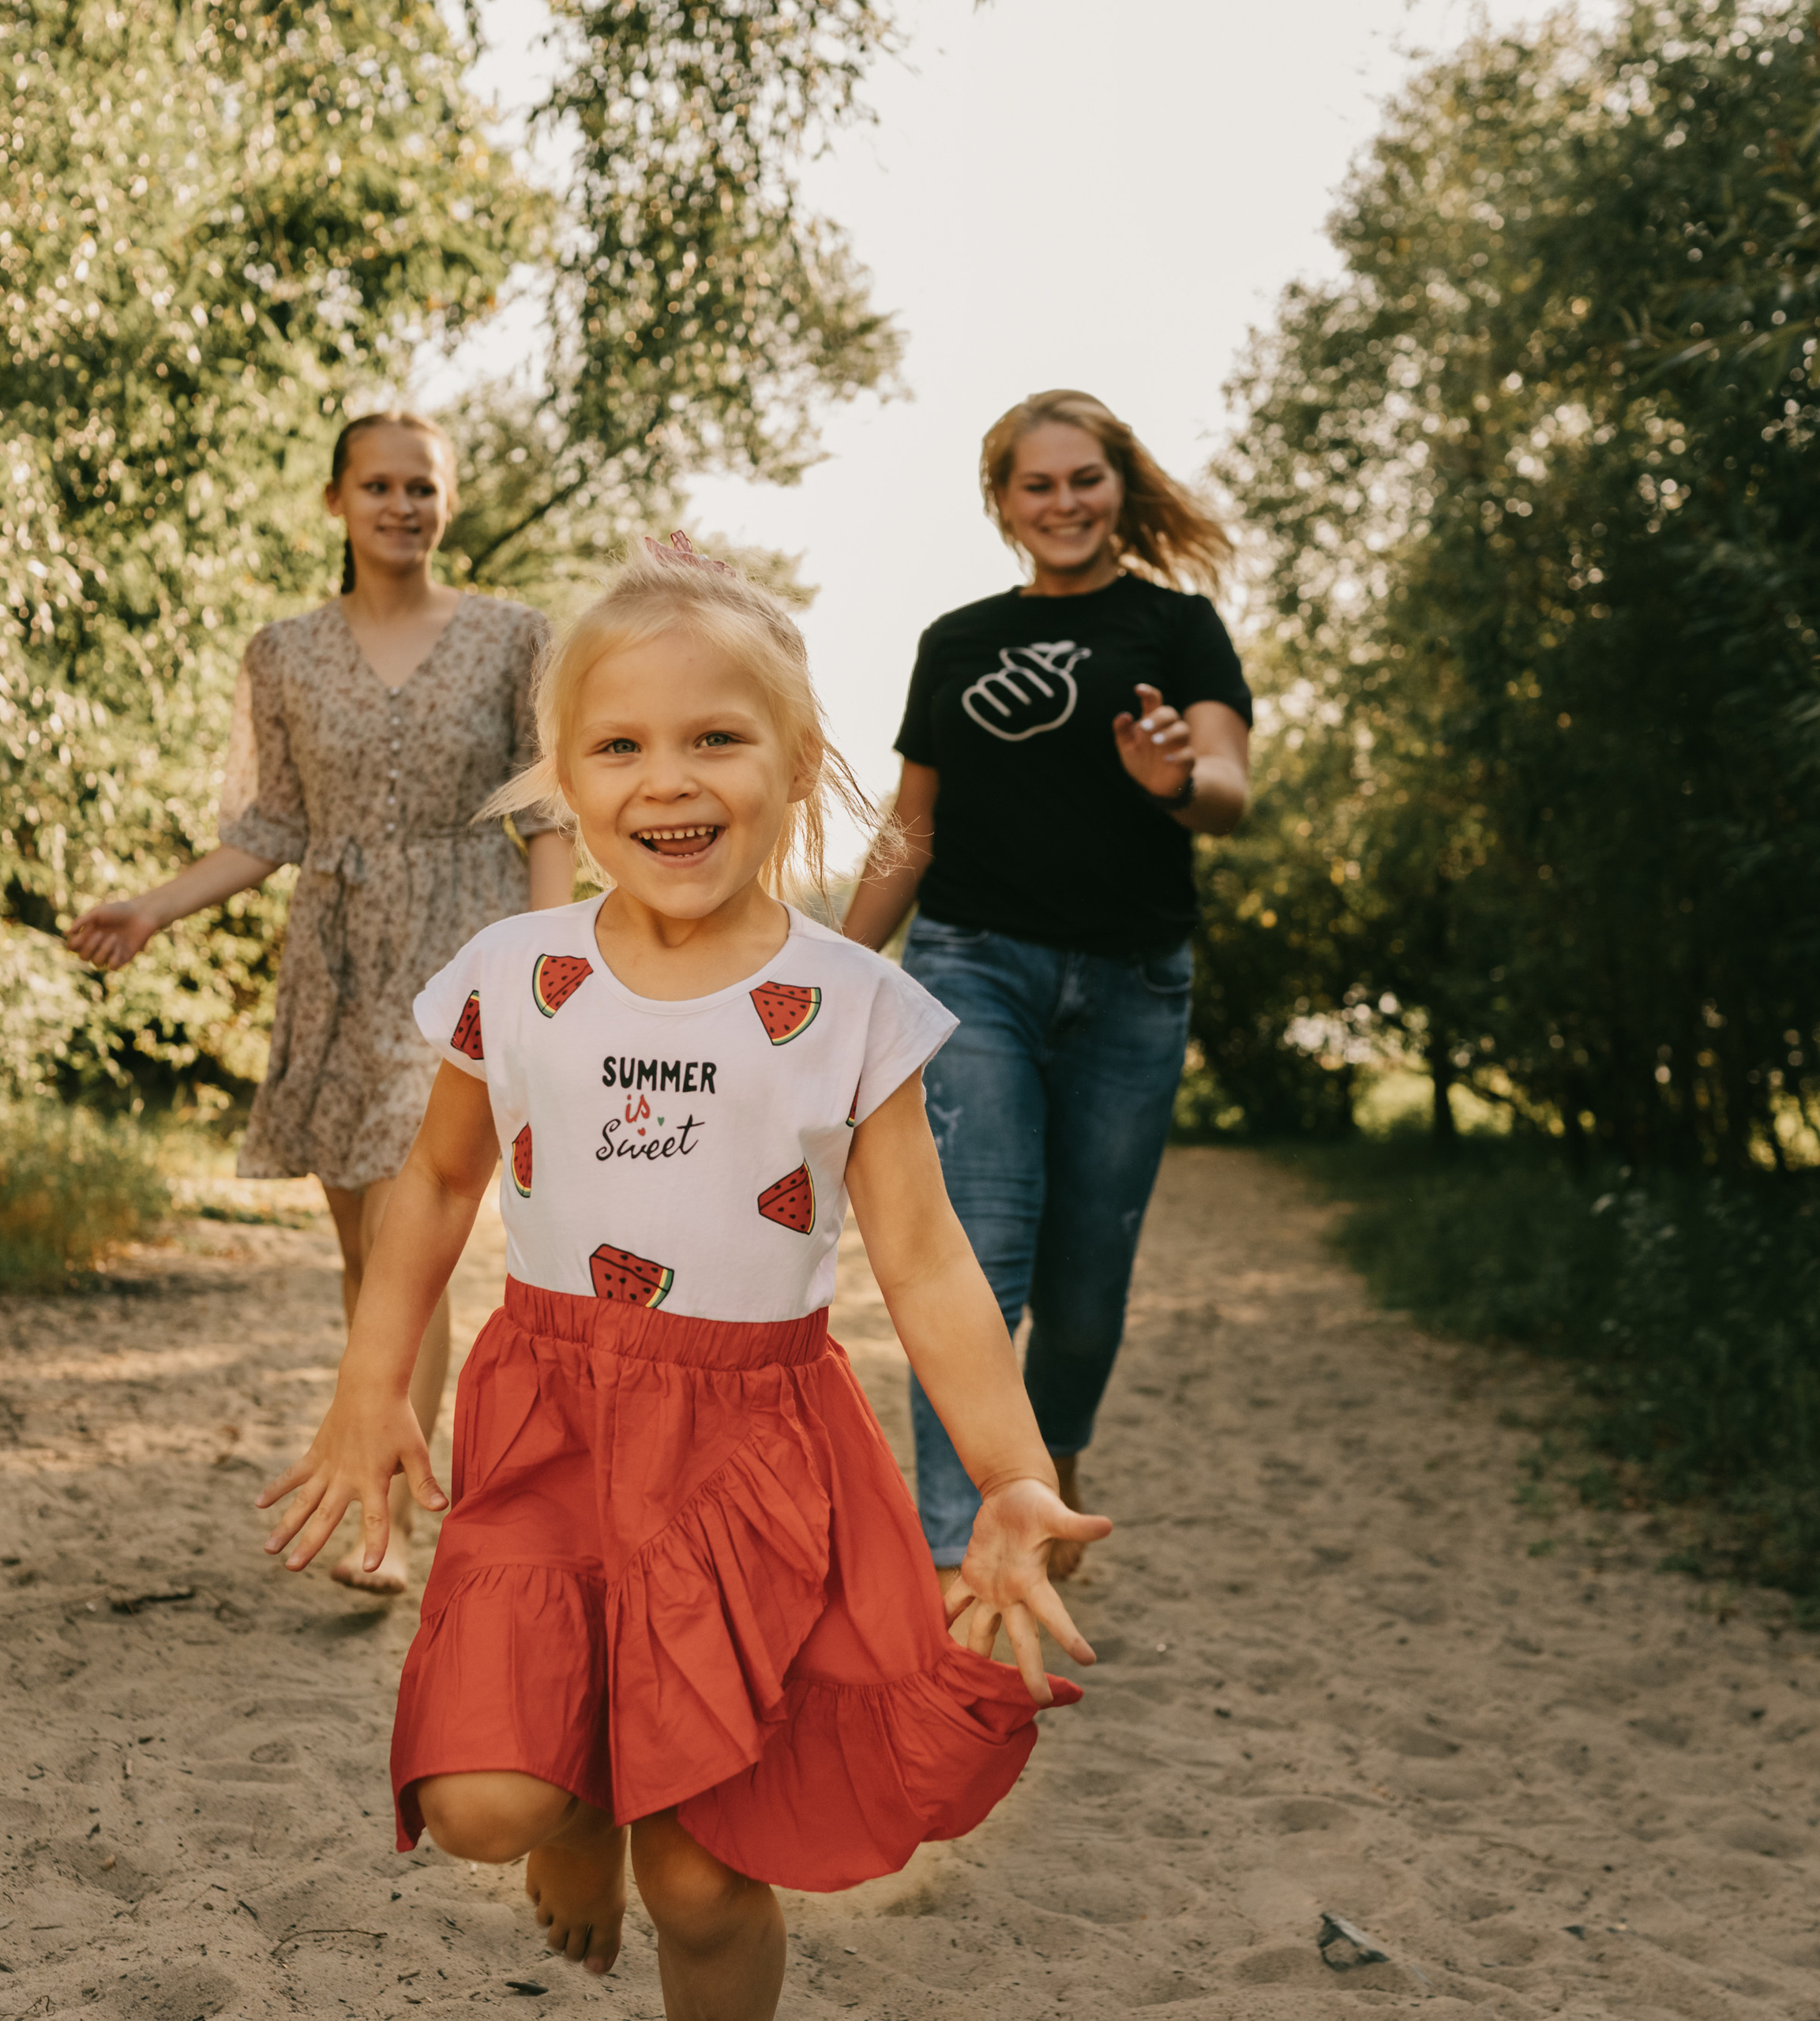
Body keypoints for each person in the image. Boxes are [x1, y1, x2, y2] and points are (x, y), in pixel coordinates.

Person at [254, 534, 1110, 2021]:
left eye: (718, 739)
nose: (669, 780)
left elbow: (922, 1259)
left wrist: (1013, 1473)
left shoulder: (853, 1004)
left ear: (797, 762)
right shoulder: (516, 973)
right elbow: (440, 1180)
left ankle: (653, 1859)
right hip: (550, 1423)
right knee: (482, 1803)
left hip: (750, 1455)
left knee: (707, 1883)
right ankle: (579, 1808)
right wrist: (370, 1385)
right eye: (621, 746)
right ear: (563, 781)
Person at [66, 410, 572, 1592]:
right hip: (338, 965)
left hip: (465, 954)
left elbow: (548, 815)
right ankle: (385, 1462)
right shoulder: (282, 654)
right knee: (364, 1256)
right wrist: (150, 910)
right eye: (379, 485)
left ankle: (381, 1519)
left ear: (449, 501)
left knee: (410, 1239)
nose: (402, 505)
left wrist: (548, 966)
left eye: (422, 486)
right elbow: (271, 829)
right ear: (336, 501)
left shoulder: (516, 638)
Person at [842, 388, 1252, 1583]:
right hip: (975, 966)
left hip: (1133, 984)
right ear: (1002, 501)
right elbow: (911, 827)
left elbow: (1230, 793)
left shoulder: (1178, 626)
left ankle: (1053, 1448)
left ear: (1121, 486)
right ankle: (959, 1548)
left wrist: (1175, 783)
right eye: (1039, 484)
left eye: (1086, 479)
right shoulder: (956, 640)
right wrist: (831, 971)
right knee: (976, 1261)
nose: (1064, 503)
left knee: (1083, 1292)